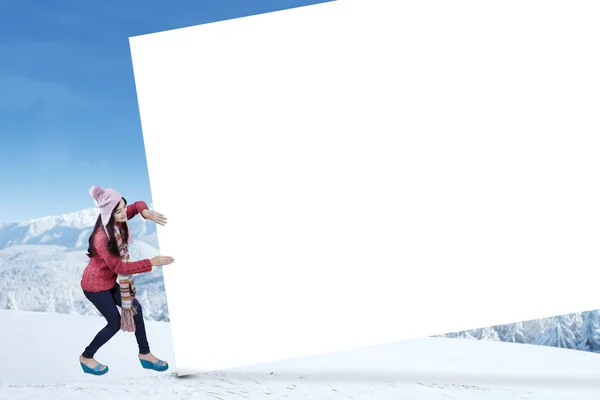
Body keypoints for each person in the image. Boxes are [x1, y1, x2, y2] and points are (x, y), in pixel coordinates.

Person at [78, 185, 175, 376]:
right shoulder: (102, 238)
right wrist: (151, 262)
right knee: (114, 323)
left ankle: (145, 354)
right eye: (119, 211)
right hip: (94, 287)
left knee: (135, 308)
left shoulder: (116, 218)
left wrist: (144, 211)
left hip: (107, 282)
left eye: (124, 207)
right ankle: (86, 357)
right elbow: (119, 268)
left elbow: (137, 205)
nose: (124, 213)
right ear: (108, 213)